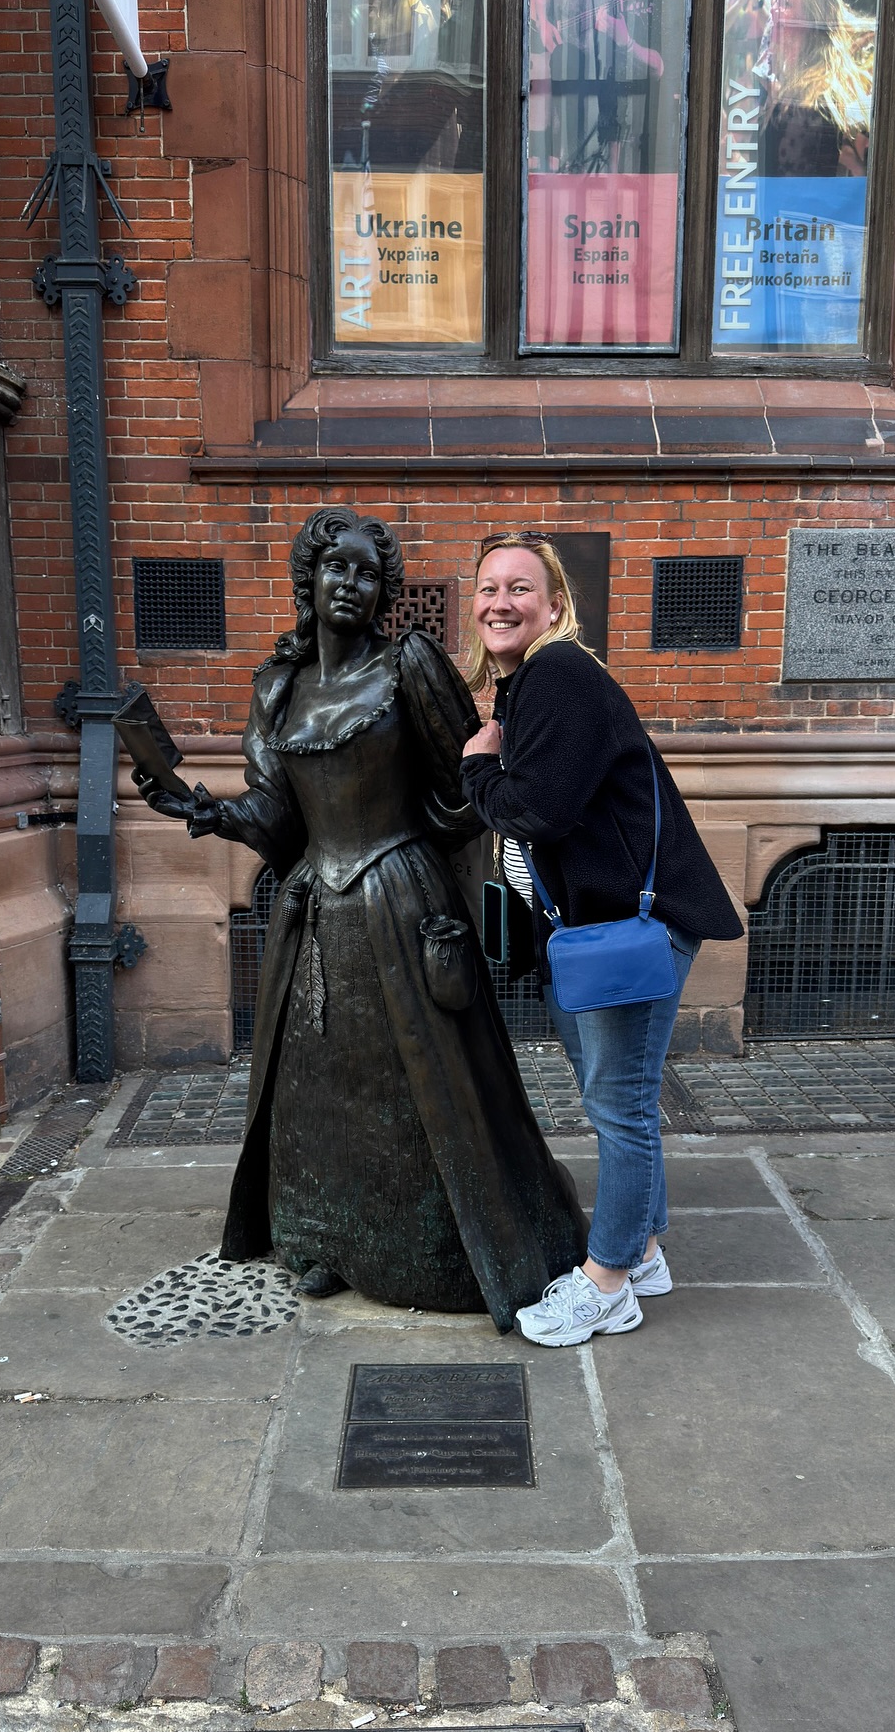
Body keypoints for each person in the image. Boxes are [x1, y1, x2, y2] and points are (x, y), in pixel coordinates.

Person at [133, 508, 588, 1332]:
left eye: (367, 573)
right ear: (307, 581)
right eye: (334, 569)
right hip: (314, 910)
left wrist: (464, 904)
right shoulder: (277, 689)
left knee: (419, 1084)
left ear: (383, 592)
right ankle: (326, 1239)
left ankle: (436, 1252)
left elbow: (468, 792)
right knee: (318, 1079)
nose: (350, 584)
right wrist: (204, 811)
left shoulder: (407, 665)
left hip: (400, 899)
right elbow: (278, 819)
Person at [460, 532, 742, 1346]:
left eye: (521, 588)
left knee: (618, 1104)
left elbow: (536, 809)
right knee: (613, 1096)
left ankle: (608, 1281)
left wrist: (480, 766)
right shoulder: (529, 687)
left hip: (636, 927)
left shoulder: (560, 674)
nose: (500, 602)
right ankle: (643, 1248)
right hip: (601, 929)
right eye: (487, 589)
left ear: (554, 607)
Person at [757, 0, 874, 178]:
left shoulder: (808, 103)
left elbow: (792, 188)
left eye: (786, 2)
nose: (773, 10)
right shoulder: (798, 88)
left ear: (811, 19)